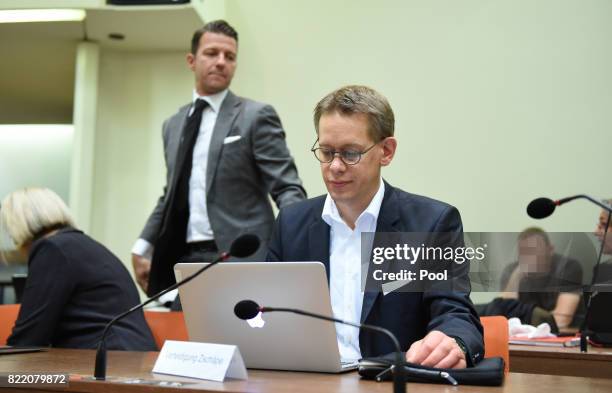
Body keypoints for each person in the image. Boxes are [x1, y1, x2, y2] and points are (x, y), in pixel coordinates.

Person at [267, 85, 483, 368]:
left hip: (388, 381)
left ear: (386, 151)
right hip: (307, 380)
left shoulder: (431, 223)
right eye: (326, 151)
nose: (335, 166)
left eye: (350, 154)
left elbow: (456, 314)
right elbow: (268, 313)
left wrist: (452, 339)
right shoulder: (291, 223)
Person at [131, 20, 306, 296]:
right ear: (192, 60)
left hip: (243, 257)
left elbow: (287, 188)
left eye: (230, 56)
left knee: (246, 338)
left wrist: (297, 244)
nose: (222, 62)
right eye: (212, 53)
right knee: (183, 335)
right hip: (186, 258)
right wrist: (142, 247)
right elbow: (171, 195)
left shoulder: (255, 116)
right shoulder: (173, 125)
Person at [1, 188, 156, 350]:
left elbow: (28, 337)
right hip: (131, 356)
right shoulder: (80, 244)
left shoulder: (52, 249)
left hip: (106, 361)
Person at [497, 228, 583, 330]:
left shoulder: (568, 267)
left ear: (550, 250)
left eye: (534, 251)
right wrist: (517, 276)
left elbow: (561, 320)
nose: (529, 257)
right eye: (524, 252)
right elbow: (503, 315)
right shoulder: (512, 270)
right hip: (524, 336)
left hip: (563, 335)